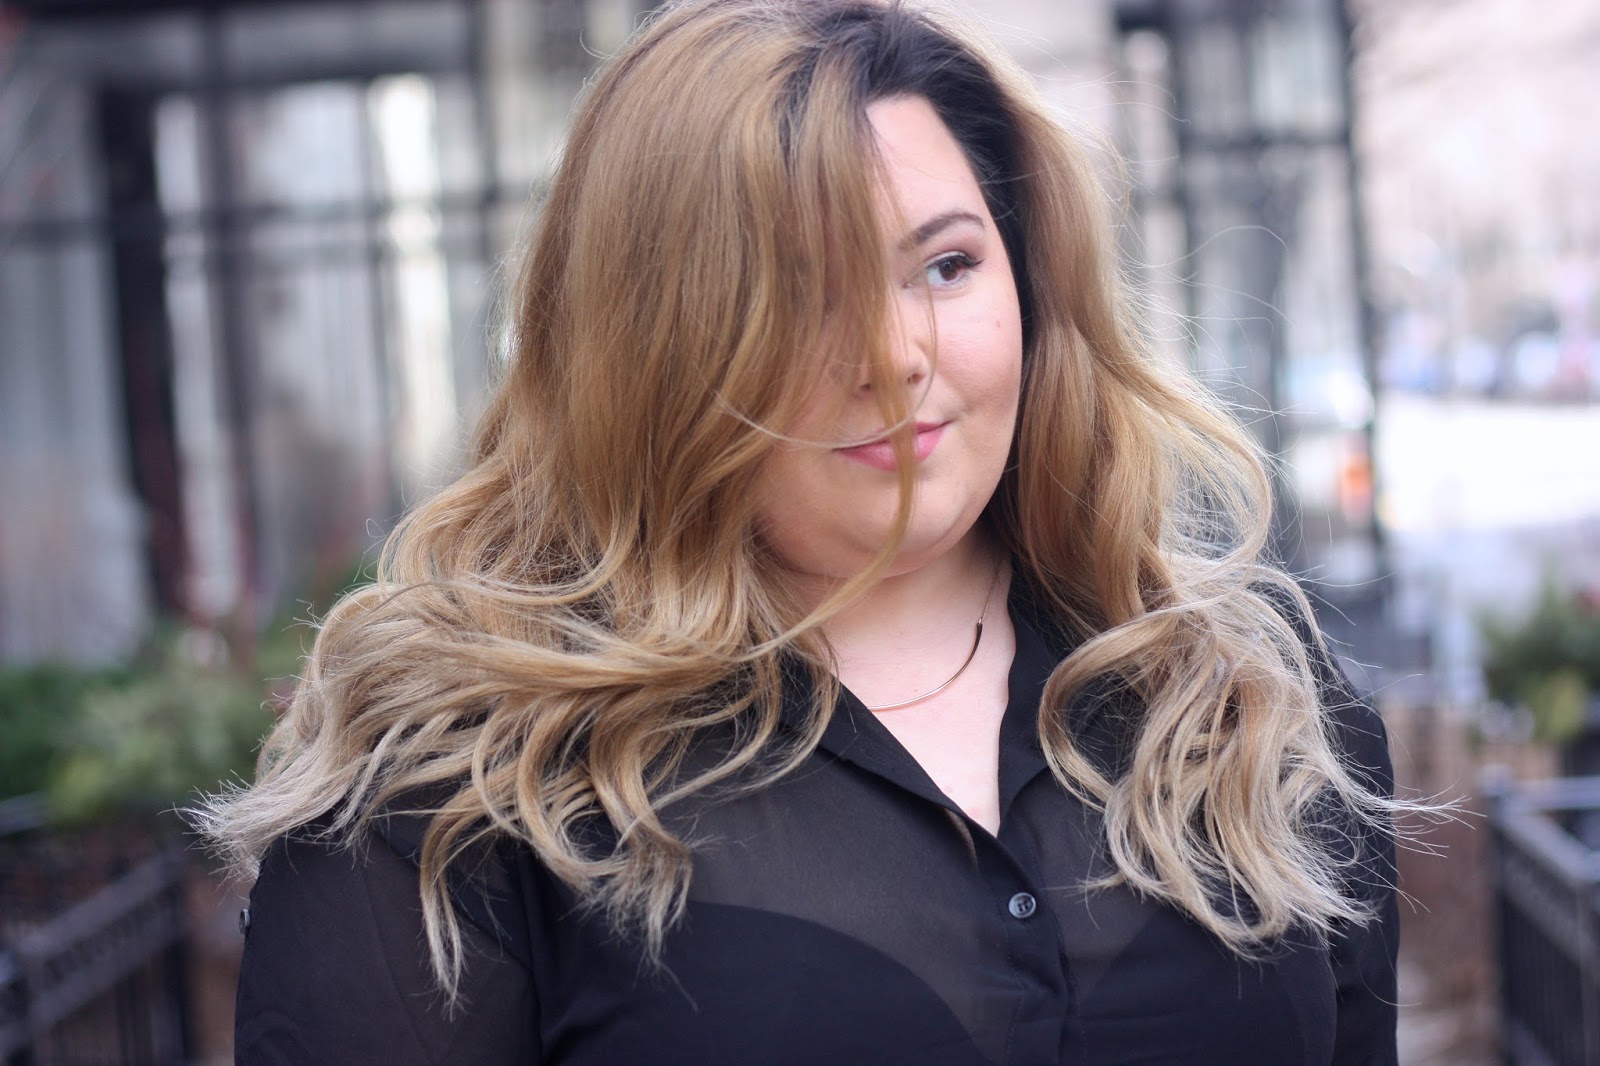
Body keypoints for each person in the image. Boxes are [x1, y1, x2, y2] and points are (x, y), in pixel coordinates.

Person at [200, 1, 1405, 1062]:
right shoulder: (445, 792)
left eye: (944, 264)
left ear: (1034, 284)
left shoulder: (1249, 707)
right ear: (651, 347)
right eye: (797, 293)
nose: (893, 356)